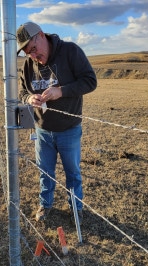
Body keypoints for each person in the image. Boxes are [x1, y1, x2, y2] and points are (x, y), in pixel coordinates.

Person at [17, 22, 97, 224]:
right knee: (45, 173)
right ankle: (45, 205)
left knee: (73, 173)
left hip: (69, 129)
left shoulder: (70, 52)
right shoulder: (29, 64)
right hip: (42, 131)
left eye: (34, 50)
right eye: (28, 53)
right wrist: (29, 99)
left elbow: (90, 81)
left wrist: (61, 91)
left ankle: (76, 207)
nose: (33, 56)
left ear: (42, 35)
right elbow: (23, 91)